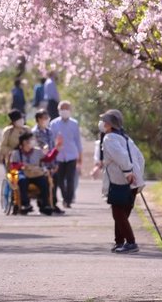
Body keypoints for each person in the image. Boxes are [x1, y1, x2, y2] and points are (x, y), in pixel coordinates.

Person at [92, 109, 145, 253]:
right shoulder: (126, 138)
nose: (102, 123)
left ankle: (131, 242)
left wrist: (128, 172)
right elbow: (140, 158)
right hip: (133, 181)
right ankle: (119, 242)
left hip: (121, 181)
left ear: (110, 124)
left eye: (104, 121)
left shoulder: (109, 138)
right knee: (123, 213)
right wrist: (138, 176)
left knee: (118, 212)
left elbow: (121, 156)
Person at [9, 132, 62, 215]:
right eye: (31, 140)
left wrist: (57, 149)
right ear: (24, 142)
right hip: (23, 173)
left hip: (36, 174)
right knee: (22, 181)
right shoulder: (16, 153)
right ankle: (25, 204)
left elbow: (48, 159)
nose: (33, 141)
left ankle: (45, 205)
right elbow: (13, 166)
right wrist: (22, 165)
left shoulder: (37, 151)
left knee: (44, 182)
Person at [50, 100, 83, 208]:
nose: (64, 111)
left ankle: (68, 200)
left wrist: (80, 156)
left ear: (70, 110)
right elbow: (51, 141)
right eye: (62, 109)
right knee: (59, 180)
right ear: (58, 110)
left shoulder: (74, 123)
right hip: (58, 156)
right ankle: (64, 196)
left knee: (70, 179)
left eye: (66, 108)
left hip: (71, 155)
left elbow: (78, 141)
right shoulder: (53, 123)